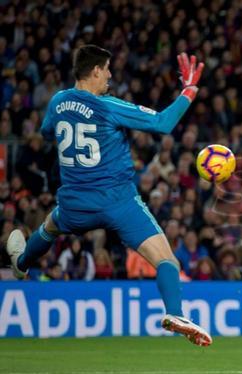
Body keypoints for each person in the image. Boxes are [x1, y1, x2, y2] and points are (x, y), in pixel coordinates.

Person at [5, 45, 212, 347]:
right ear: (96, 70)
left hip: (75, 203)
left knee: (50, 225)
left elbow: (47, 131)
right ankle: (175, 313)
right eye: (108, 69)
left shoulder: (58, 102)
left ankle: (21, 263)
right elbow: (163, 124)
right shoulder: (108, 106)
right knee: (167, 261)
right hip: (117, 202)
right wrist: (189, 90)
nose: (111, 75)